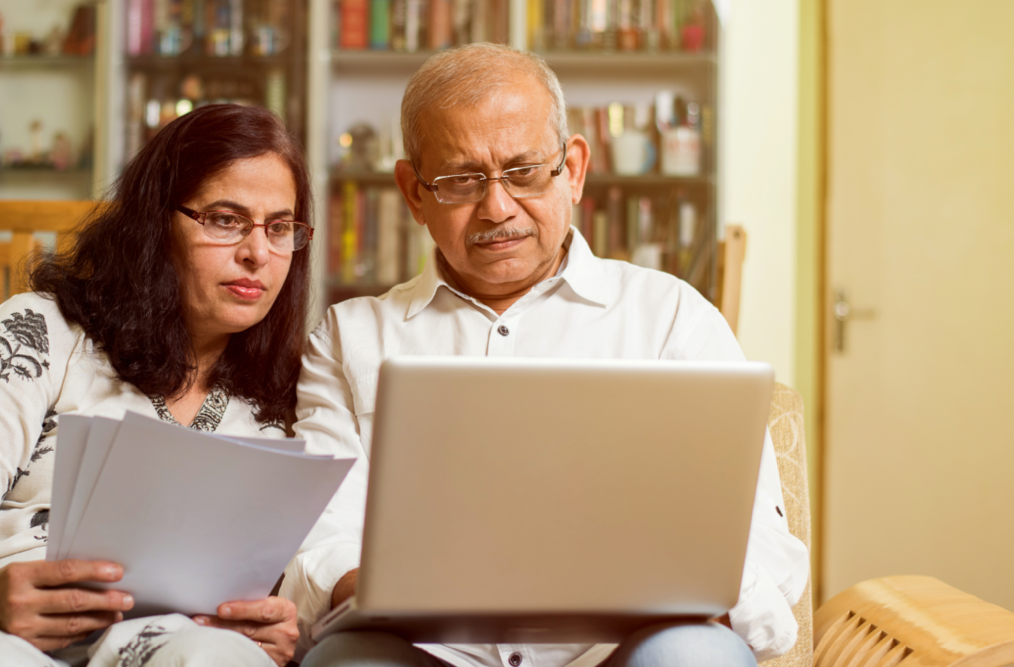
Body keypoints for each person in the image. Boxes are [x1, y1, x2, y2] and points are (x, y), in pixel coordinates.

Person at [278, 44, 810, 667]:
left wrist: (687, 580)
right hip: (428, 653)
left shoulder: (672, 319)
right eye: (460, 180)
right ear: (414, 193)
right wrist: (371, 586)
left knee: (697, 655)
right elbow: (319, 536)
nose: (497, 207)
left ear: (574, 169)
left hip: (619, 652)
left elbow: (765, 545)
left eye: (524, 171)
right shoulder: (348, 339)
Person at [0, 104, 321, 667]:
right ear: (157, 223)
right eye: (225, 219)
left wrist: (271, 632)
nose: (257, 254)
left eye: (279, 228)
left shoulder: (293, 400)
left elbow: (283, 597)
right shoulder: (41, 332)